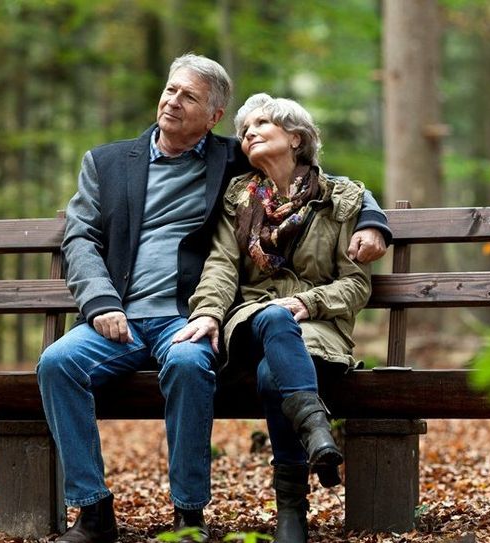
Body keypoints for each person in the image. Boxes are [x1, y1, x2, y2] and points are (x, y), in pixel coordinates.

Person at [37, 56, 390, 543]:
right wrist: (101, 304)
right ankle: (93, 510)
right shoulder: (106, 163)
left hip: (189, 318)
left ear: (215, 116)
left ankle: (189, 515)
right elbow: (79, 239)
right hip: (118, 317)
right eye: (170, 89)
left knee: (187, 366)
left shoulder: (233, 158)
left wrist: (374, 221)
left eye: (189, 97)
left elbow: (315, 178)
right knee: (57, 363)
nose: (172, 102)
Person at [172, 93, 374, 542]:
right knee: (273, 319)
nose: (249, 135)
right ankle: (315, 427)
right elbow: (222, 266)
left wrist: (309, 304)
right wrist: (207, 313)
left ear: (296, 137)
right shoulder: (238, 198)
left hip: (318, 328)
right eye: (244, 131)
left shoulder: (340, 198)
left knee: (270, 376)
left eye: (262, 124)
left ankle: (291, 514)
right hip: (250, 319)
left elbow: (356, 284)